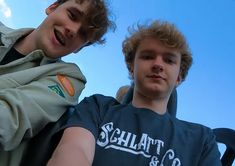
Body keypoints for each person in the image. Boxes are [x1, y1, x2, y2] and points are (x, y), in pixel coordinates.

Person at [47, 20, 222, 166]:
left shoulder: (202, 139)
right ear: (131, 67)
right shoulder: (98, 107)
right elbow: (74, 150)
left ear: (179, 77)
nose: (158, 64)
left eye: (169, 60)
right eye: (147, 56)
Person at [0, 0, 114, 165]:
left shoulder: (69, 78)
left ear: (79, 48)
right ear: (51, 7)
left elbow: (10, 118)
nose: (73, 30)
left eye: (83, 34)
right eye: (72, 15)